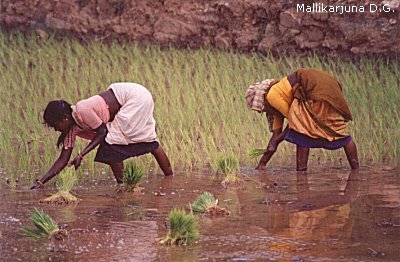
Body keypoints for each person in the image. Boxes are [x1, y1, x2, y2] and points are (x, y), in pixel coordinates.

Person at [30, 82, 173, 189]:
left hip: (135, 98)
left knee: (110, 145)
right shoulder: (72, 129)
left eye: (56, 125)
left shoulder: (81, 110)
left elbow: (102, 131)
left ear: (65, 119)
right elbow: (63, 159)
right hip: (136, 97)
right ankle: (169, 179)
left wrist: (81, 155)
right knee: (147, 140)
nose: (56, 130)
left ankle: (123, 186)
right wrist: (41, 182)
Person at [245, 68, 359, 171]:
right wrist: (262, 163)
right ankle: (356, 171)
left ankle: (301, 175)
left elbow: (294, 121)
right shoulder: (278, 97)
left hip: (315, 88)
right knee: (337, 130)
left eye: (260, 109)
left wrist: (275, 142)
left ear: (262, 100)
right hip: (331, 87)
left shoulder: (272, 96)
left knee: (301, 130)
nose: (263, 112)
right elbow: (276, 136)